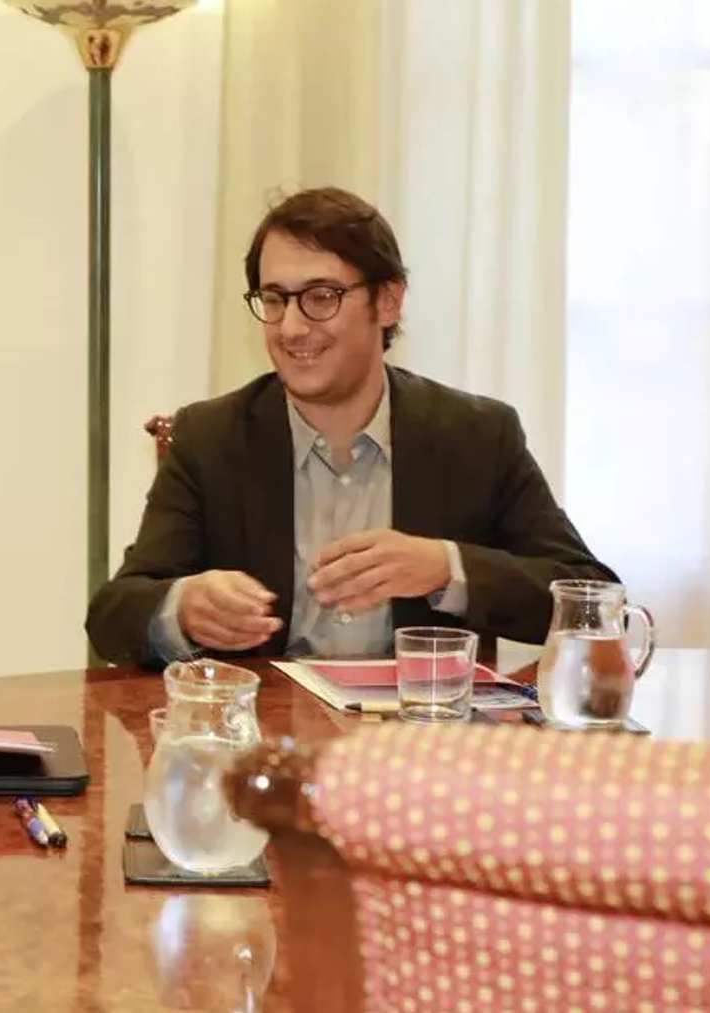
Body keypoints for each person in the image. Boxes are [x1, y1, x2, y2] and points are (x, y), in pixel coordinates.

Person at [86, 187, 616, 666]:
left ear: (387, 301)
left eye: (321, 297)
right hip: (266, 750)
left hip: (421, 747)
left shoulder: (477, 435)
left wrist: (444, 567)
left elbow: (593, 598)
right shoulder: (211, 437)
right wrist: (182, 608)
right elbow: (112, 616)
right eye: (274, 300)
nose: (291, 328)